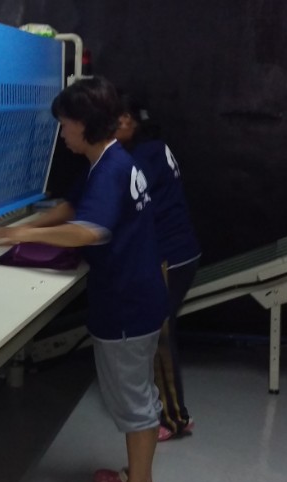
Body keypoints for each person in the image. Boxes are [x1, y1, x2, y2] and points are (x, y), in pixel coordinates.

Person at [0, 77, 167, 482]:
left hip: (125, 304)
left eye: (65, 123)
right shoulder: (112, 159)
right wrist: (24, 227)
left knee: (134, 402)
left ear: (84, 124)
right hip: (138, 294)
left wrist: (20, 236)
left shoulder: (110, 168)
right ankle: (139, 478)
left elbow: (89, 230)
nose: (62, 132)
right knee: (139, 393)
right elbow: (75, 205)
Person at [115, 94, 202, 441]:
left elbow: (126, 201)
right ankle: (167, 411)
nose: (115, 124)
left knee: (159, 337)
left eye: (121, 117)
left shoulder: (142, 156)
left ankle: (174, 419)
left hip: (170, 255)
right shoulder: (154, 148)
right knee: (158, 333)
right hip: (179, 251)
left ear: (134, 121)